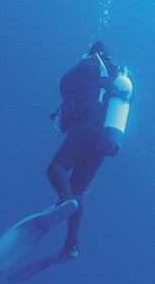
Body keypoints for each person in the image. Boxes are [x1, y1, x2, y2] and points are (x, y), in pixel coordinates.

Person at [46, 41, 119, 260]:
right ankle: (71, 245)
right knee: (78, 190)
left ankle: (65, 199)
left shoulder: (90, 62)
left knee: (56, 168)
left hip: (88, 125)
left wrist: (70, 108)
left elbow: (65, 82)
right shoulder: (116, 76)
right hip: (106, 137)